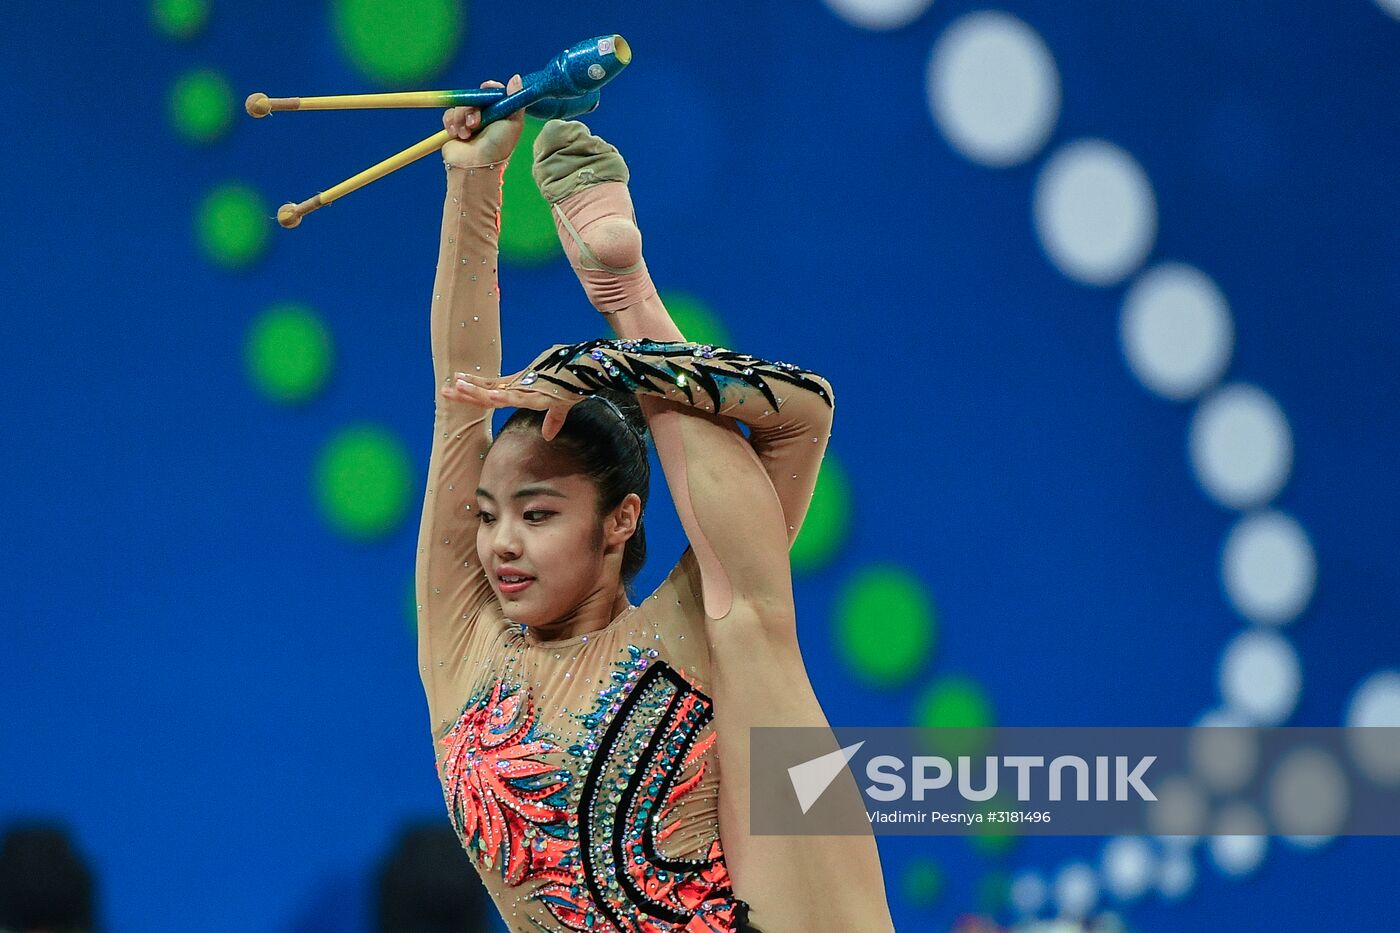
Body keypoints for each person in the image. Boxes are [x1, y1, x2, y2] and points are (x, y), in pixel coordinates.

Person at [416, 74, 894, 933]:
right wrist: (473, 181)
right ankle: (624, 295)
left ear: (620, 521)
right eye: (490, 516)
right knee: (744, 611)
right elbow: (460, 400)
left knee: (749, 615)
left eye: (539, 513)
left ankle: (628, 291)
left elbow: (802, 415)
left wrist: (618, 356)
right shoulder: (464, 651)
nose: (500, 545)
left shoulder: (683, 628)